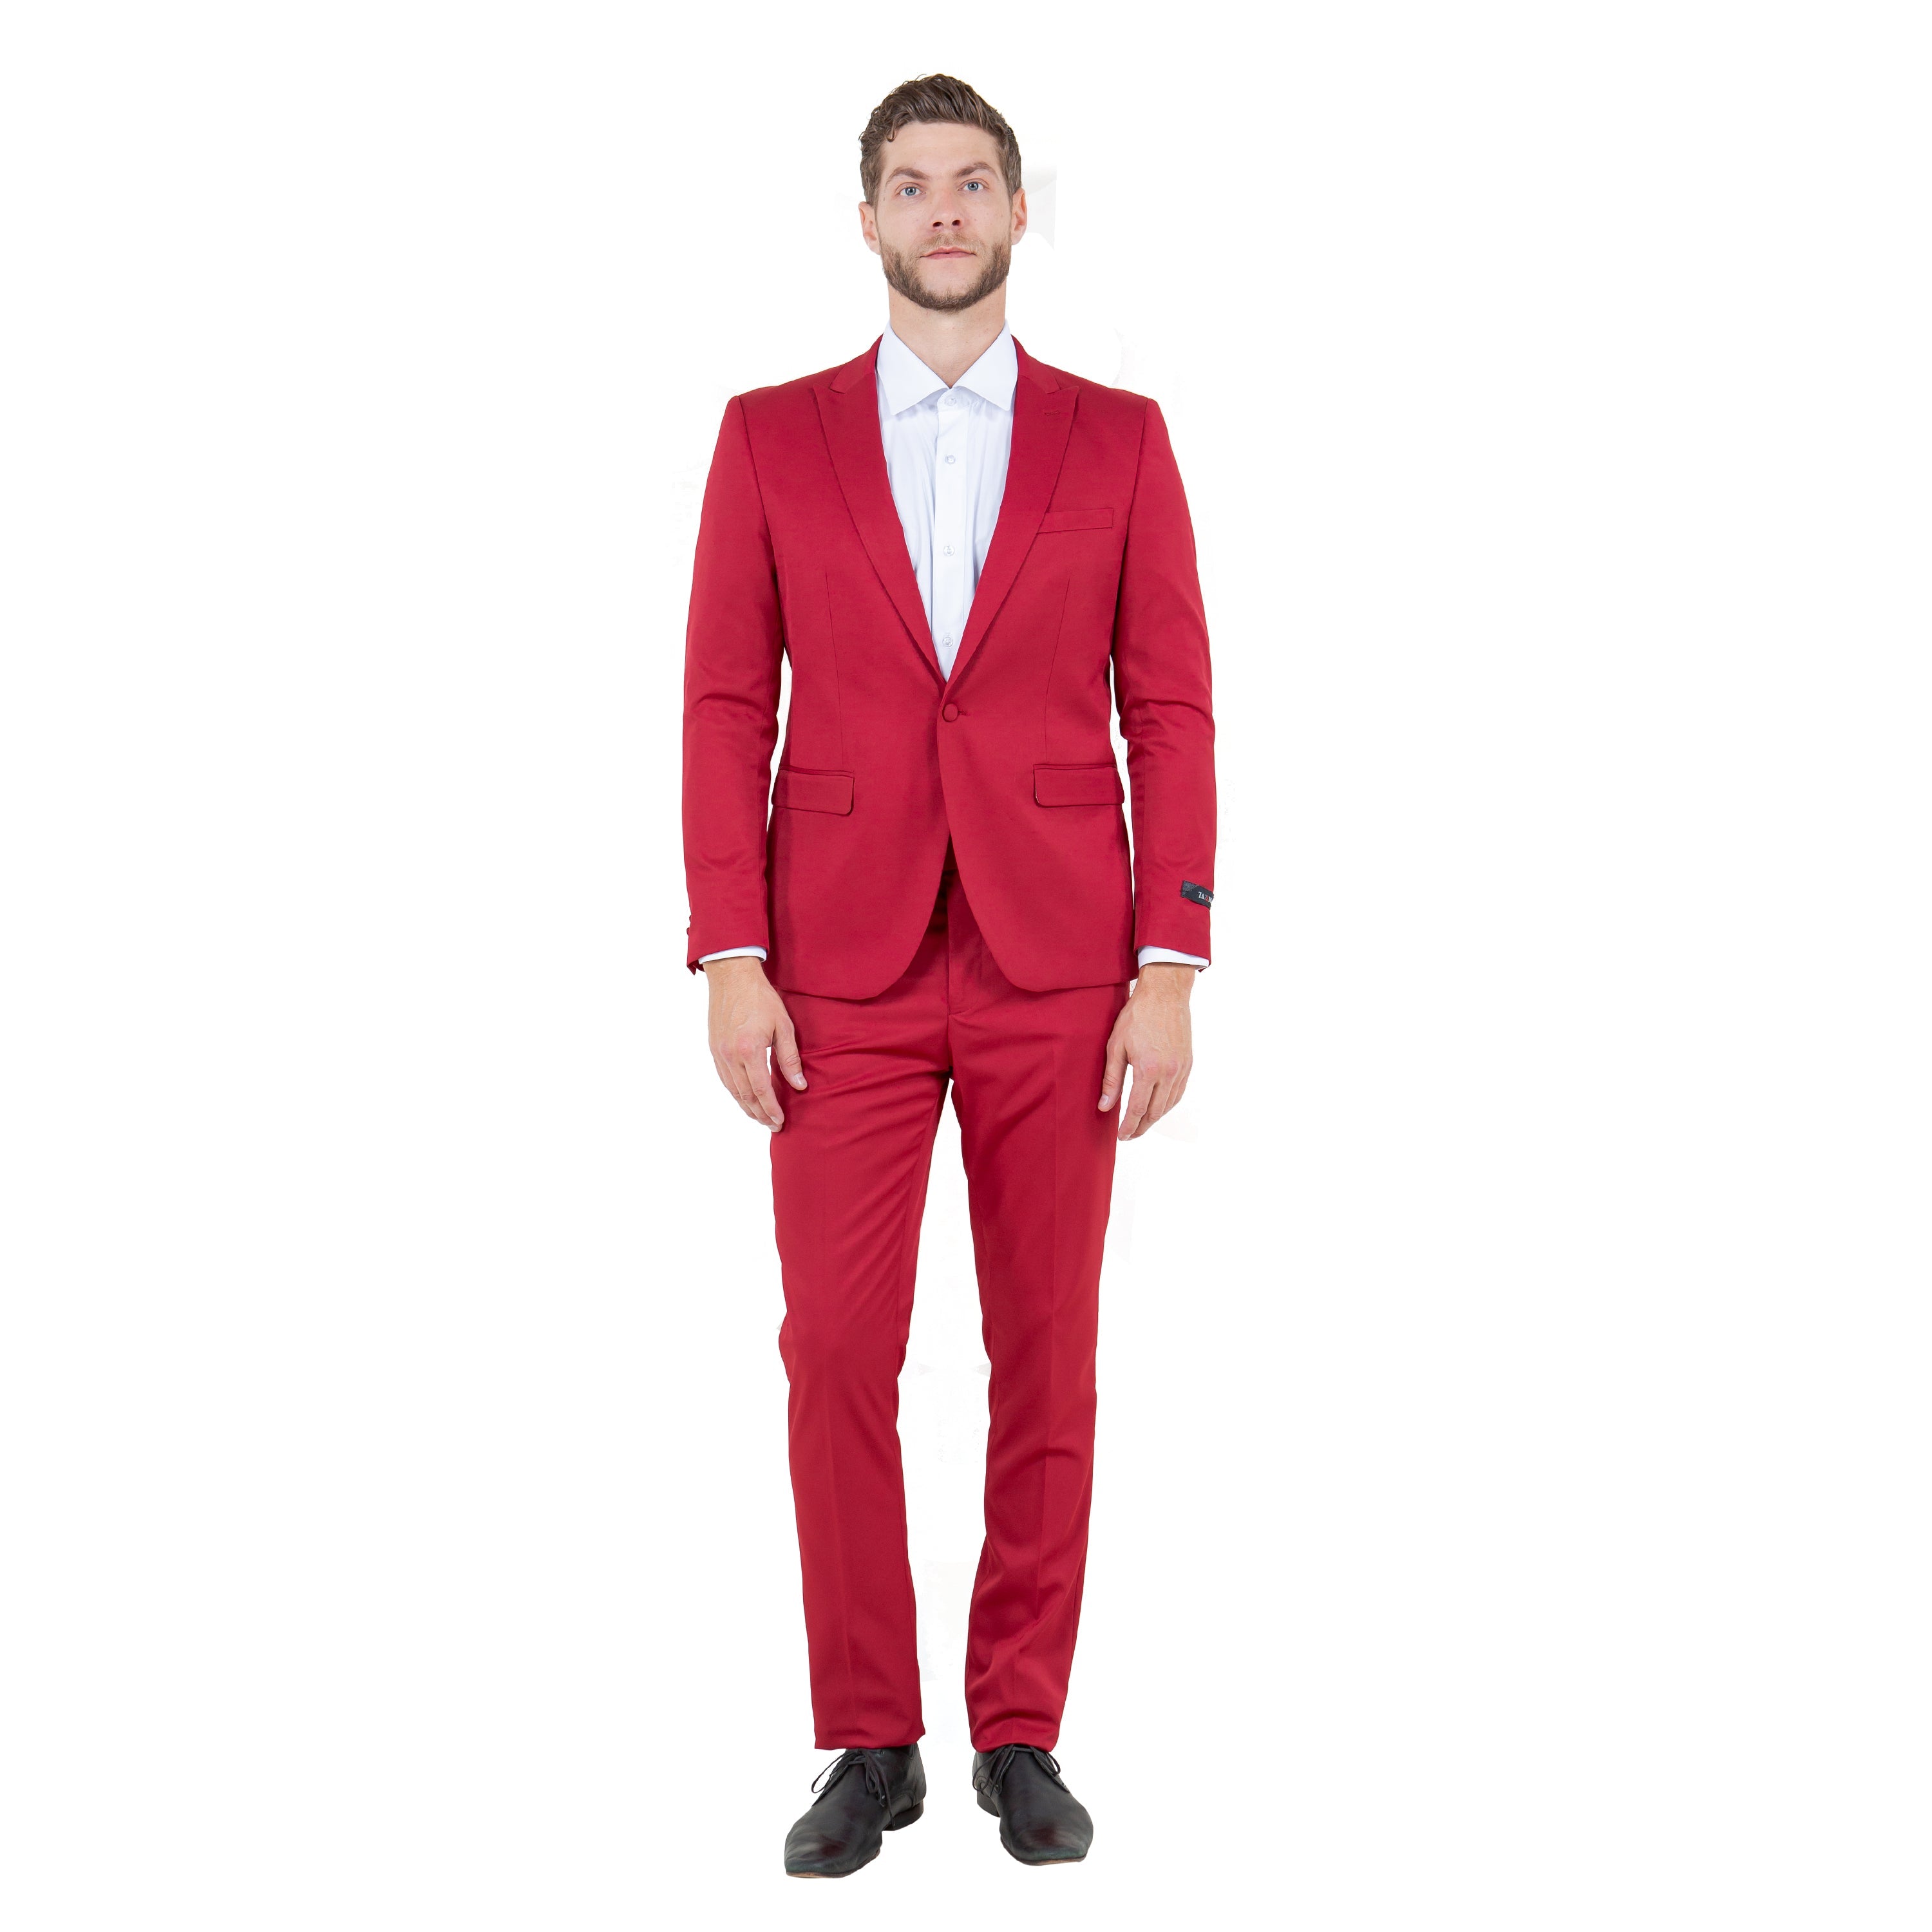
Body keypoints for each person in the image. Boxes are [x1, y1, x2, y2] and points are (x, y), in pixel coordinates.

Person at [680, 73, 1216, 1877]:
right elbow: (724, 704)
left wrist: (1171, 958)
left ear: (1016, 209)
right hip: (834, 968)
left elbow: (1173, 705)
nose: (943, 211)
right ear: (867, 220)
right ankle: (870, 1737)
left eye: (972, 181)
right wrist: (730, 950)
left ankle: (1020, 1730)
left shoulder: (1119, 439)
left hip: (1063, 961)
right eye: (910, 186)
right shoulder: (770, 437)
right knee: (836, 1348)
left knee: (1046, 1349)